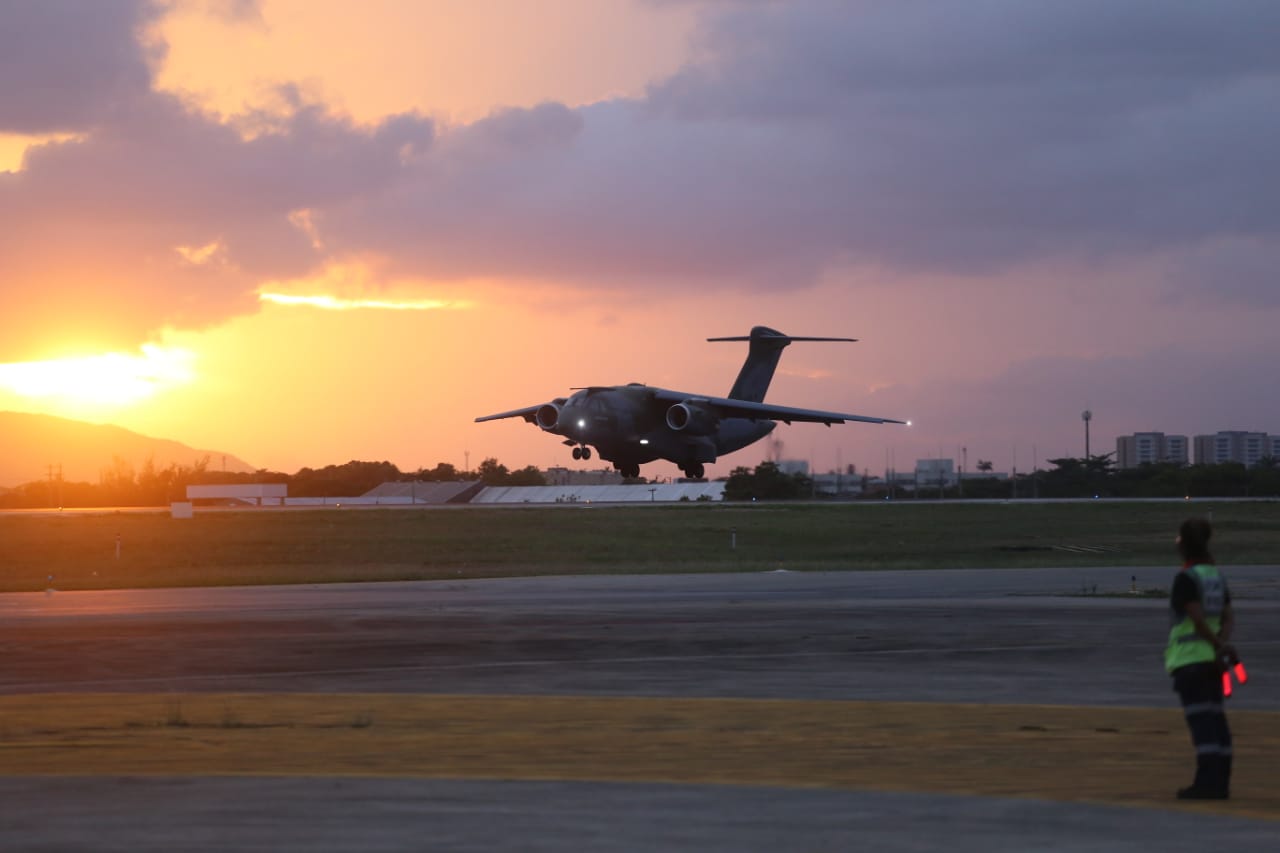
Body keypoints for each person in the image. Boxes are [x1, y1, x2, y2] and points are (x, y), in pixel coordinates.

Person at [1165, 517, 1235, 800]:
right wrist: (1221, 645)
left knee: (1202, 724)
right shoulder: (1215, 576)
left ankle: (1207, 784)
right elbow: (1228, 617)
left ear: (1183, 542)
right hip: (1213, 662)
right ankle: (1221, 782)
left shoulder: (1187, 578)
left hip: (1191, 661)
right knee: (1217, 722)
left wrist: (1215, 643)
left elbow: (1195, 617)